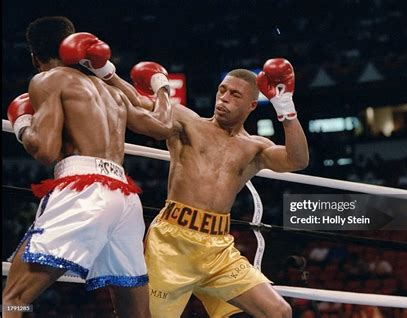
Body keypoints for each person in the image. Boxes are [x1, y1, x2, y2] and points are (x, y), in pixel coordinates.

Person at [121, 57, 309, 317]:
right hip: (170, 243)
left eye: (234, 94)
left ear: (251, 105)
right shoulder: (187, 122)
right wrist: (106, 72)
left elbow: (298, 160)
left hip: (218, 248)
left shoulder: (254, 147)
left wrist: (284, 106)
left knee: (278, 311)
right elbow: (136, 104)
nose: (224, 98)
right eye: (222, 90)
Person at [2, 16, 151, 318]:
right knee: (134, 314)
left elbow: (45, 151)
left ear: (35, 57)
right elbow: (159, 122)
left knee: (13, 298)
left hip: (84, 191)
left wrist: (22, 124)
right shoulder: (109, 89)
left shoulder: (49, 79)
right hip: (125, 197)